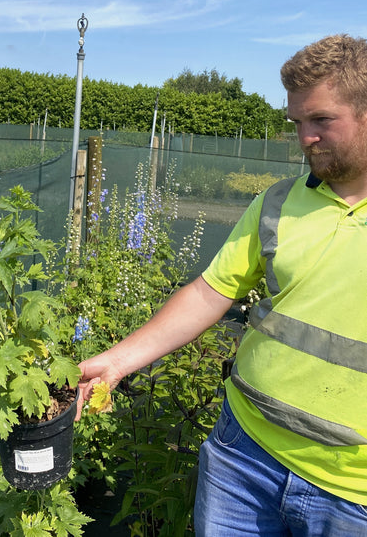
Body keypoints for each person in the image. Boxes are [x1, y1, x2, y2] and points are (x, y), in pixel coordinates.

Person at [76, 34, 367, 536]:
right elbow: (211, 292)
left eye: (322, 120)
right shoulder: (278, 202)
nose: (304, 139)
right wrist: (116, 362)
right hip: (243, 455)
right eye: (297, 123)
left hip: (351, 493)